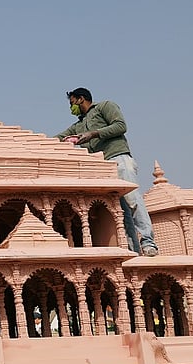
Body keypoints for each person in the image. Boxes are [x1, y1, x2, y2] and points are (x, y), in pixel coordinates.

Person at [56, 87, 159, 256]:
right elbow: (58, 137)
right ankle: (134, 251)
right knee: (121, 211)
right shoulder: (79, 125)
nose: (71, 107)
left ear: (81, 99)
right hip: (102, 168)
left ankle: (149, 242)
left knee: (132, 200)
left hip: (118, 157)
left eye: (72, 102)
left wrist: (94, 134)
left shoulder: (104, 107)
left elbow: (120, 126)